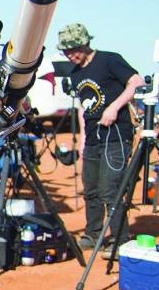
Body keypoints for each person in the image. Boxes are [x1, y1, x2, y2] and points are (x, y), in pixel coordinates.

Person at [59, 22, 143, 258]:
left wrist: (115, 108)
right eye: (66, 51)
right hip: (93, 140)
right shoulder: (75, 74)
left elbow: (136, 81)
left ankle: (119, 239)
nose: (70, 55)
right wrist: (83, 139)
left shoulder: (109, 60)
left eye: (73, 49)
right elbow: (82, 109)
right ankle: (92, 234)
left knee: (110, 189)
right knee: (91, 190)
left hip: (116, 136)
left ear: (85, 44)